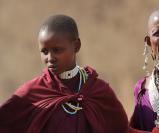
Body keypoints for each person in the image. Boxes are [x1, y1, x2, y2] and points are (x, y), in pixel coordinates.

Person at [0, 15, 128, 133]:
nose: (50, 58)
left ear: (77, 46)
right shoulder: (32, 92)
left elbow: (122, 129)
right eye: (44, 51)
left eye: (57, 50)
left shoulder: (99, 91)